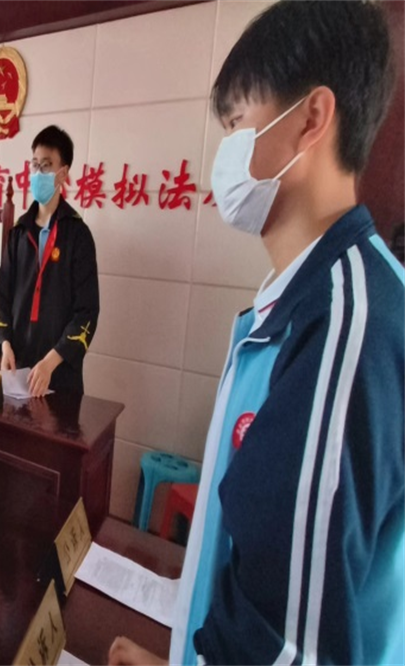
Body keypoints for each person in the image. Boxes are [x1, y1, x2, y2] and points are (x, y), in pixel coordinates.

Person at [108, 1, 403, 664]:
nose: (226, 154)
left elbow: (284, 643)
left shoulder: (343, 326)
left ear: (312, 119)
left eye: (240, 123)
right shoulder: (303, 298)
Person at [0, 125, 99, 396]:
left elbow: (87, 311)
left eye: (47, 165)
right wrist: (4, 344)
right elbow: (1, 296)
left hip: (60, 374)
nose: (38, 173)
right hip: (17, 370)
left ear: (63, 173)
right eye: (34, 165)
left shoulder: (78, 235)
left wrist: (51, 362)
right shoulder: (19, 232)